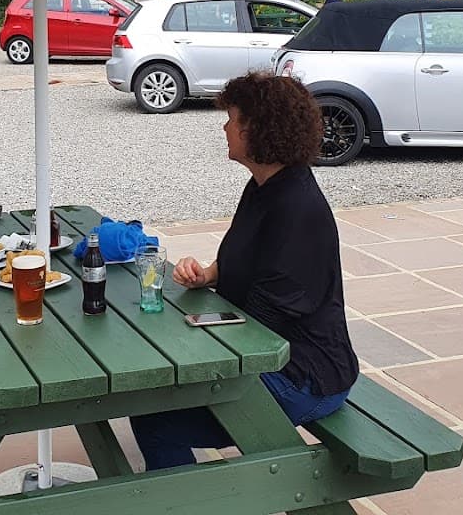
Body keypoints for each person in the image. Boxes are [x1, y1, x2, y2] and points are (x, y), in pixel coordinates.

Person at [129, 72, 358, 470]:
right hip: (272, 354)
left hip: (305, 375)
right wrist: (209, 274)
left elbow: (263, 324)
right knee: (155, 397)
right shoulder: (265, 185)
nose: (224, 127)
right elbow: (252, 262)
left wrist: (190, 337)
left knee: (157, 415)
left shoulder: (297, 208)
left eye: (232, 119)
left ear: (258, 129)